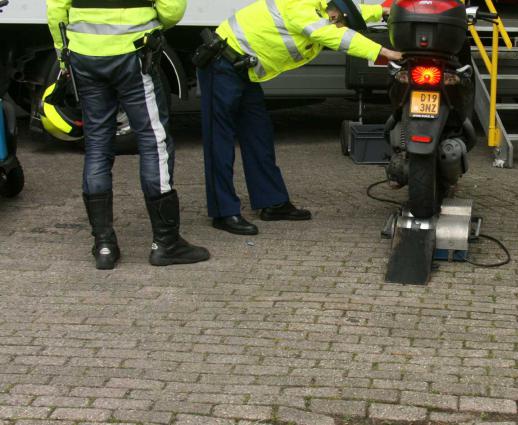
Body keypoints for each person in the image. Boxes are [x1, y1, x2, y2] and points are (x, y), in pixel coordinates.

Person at [197, 0, 402, 236]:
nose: (338, 25)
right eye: (339, 21)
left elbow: (353, 13)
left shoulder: (325, 9)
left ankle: (272, 202)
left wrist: (386, 10)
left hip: (243, 70)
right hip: (221, 64)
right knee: (219, 142)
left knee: (259, 136)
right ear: (333, 12)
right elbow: (338, 37)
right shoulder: (301, 8)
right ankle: (223, 212)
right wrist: (385, 52)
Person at [47, 0, 210, 270]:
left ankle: (104, 245)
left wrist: (62, 52)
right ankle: (166, 243)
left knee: (97, 144)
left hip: (84, 55)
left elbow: (56, 10)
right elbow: (172, 9)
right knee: (152, 140)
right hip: (133, 55)